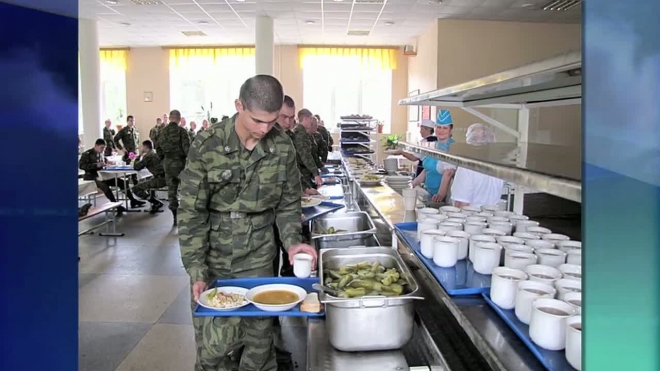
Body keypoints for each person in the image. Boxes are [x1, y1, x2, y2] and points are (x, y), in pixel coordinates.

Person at [178, 75, 317, 371]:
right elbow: (191, 211)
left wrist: (292, 243)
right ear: (239, 106)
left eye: (272, 120)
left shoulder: (282, 147)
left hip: (259, 255)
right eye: (257, 121)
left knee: (259, 342)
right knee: (212, 347)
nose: (265, 129)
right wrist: (197, 269)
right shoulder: (207, 143)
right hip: (214, 256)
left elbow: (288, 205)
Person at [78, 139, 145, 216]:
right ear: (96, 146)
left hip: (103, 176)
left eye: (104, 148)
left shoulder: (101, 153)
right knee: (105, 187)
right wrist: (95, 165)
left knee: (121, 182)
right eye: (101, 147)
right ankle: (117, 206)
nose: (103, 149)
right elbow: (81, 166)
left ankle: (133, 200)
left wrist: (108, 162)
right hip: (92, 177)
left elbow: (104, 161)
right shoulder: (87, 154)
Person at [451, 124, 504, 208]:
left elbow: (461, 204)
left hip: (471, 217)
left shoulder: (467, 166)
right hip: (492, 216)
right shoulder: (498, 166)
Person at [411, 109, 456, 203]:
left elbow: (448, 173)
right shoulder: (433, 145)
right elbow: (427, 169)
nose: (441, 131)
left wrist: (440, 195)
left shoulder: (452, 147)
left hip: (443, 197)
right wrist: (414, 183)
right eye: (439, 127)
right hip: (428, 192)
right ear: (435, 128)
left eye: (445, 128)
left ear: (451, 129)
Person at [156, 110, 190, 225]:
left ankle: (175, 216)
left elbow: (158, 148)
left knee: (172, 191)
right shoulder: (182, 131)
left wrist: (163, 159)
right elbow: (187, 150)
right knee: (186, 190)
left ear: (170, 118)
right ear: (179, 119)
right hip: (180, 165)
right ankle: (187, 215)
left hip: (168, 164)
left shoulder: (162, 132)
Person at [132, 140, 166, 214]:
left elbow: (136, 167)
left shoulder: (148, 156)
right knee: (147, 181)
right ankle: (154, 202)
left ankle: (155, 202)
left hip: (160, 179)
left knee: (135, 188)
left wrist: (139, 156)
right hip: (165, 177)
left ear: (145, 147)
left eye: (142, 146)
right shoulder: (155, 152)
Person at [293, 109, 323, 190]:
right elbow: (305, 155)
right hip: (301, 171)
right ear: (305, 119)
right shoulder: (301, 134)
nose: (312, 122)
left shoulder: (302, 132)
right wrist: (316, 174)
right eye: (310, 119)